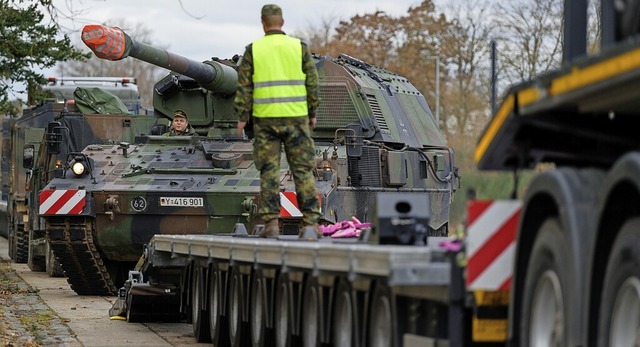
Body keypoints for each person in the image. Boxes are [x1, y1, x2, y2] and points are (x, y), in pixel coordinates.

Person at [235, 4, 321, 238]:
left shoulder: (254, 50)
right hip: (297, 118)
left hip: (266, 120)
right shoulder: (298, 47)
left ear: (263, 23)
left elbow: (244, 86)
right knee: (302, 170)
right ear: (282, 23)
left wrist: (242, 117)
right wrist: (312, 111)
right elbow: (312, 82)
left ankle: (271, 224)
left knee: (269, 171)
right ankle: (311, 225)